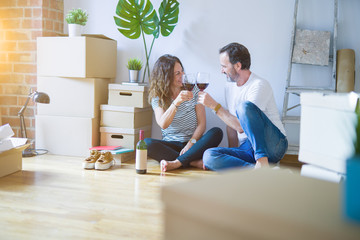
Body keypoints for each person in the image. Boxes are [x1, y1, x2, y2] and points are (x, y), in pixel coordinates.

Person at [197, 43, 288, 171]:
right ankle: (263, 172)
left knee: (243, 107)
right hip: (248, 146)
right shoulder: (229, 87)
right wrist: (232, 151)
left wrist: (214, 106)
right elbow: (231, 125)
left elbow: (240, 126)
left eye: (224, 66)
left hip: (273, 144)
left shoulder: (259, 85)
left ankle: (262, 161)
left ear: (238, 66)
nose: (221, 71)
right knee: (209, 156)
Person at [144, 54, 223, 172]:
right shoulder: (158, 97)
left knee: (217, 132)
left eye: (182, 71)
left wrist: (191, 143)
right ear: (166, 77)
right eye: (177, 73)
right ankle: (191, 161)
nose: (183, 76)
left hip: (193, 144)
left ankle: (177, 162)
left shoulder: (194, 90)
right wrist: (177, 102)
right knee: (146, 143)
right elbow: (163, 124)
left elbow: (202, 124)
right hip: (171, 145)